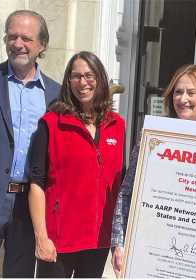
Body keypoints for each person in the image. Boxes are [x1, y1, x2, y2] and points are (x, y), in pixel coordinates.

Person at [0, 10, 59, 277]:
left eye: (26, 38)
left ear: (42, 44)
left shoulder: (55, 93)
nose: (18, 43)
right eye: (12, 36)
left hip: (29, 205)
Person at [110, 64, 196, 277]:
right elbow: (126, 192)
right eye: (178, 92)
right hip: (153, 249)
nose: (183, 99)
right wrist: (118, 243)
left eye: (191, 92)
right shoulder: (152, 138)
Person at [28, 51, 125, 277]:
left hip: (98, 240)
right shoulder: (51, 123)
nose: (83, 82)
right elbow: (37, 183)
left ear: (100, 79)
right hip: (59, 239)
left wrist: (117, 241)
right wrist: (41, 237)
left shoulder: (117, 125)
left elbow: (119, 185)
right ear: (68, 81)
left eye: (89, 75)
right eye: (76, 76)